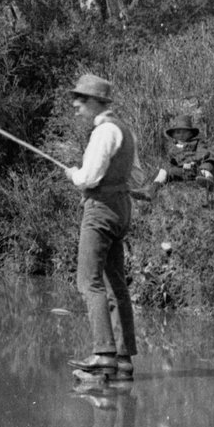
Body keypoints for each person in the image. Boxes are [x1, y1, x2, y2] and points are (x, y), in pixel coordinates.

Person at [65, 72, 140, 380]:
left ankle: (103, 354)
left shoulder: (104, 132)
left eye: (80, 99)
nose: (75, 105)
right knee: (115, 283)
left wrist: (73, 175)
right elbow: (135, 176)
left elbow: (89, 178)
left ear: (97, 102)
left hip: (100, 211)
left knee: (89, 281)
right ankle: (122, 360)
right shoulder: (126, 130)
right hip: (121, 209)